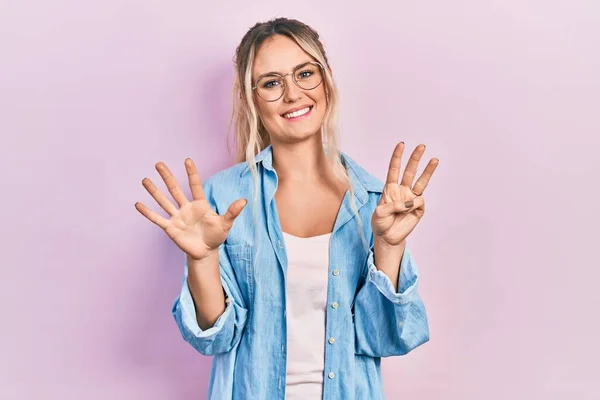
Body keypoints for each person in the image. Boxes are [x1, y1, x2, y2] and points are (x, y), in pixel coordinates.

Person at [135, 17, 439, 400]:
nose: (293, 94)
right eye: (272, 83)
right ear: (251, 99)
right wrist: (202, 259)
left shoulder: (375, 202)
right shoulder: (220, 199)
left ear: (326, 81)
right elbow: (215, 338)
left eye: (304, 74)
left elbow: (385, 337)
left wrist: (389, 247)